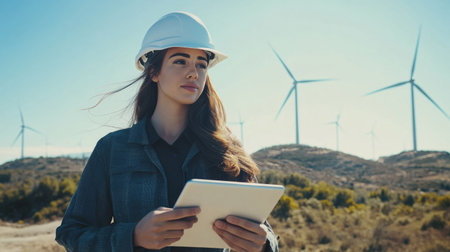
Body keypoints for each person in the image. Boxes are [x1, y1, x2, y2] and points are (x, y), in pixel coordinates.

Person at [55, 11, 278, 252]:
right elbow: (72, 234)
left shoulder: (227, 152)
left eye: (201, 64)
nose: (194, 72)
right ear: (153, 72)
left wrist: (263, 243)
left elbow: (265, 233)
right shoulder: (112, 149)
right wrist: (133, 236)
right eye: (180, 61)